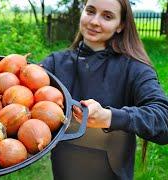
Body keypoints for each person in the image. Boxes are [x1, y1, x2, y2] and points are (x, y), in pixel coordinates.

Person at [39, 0, 168, 179]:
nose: (94, 21)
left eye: (107, 16)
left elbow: (164, 119)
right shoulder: (54, 64)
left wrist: (109, 117)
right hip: (63, 172)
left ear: (120, 25)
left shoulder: (135, 69)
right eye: (90, 11)